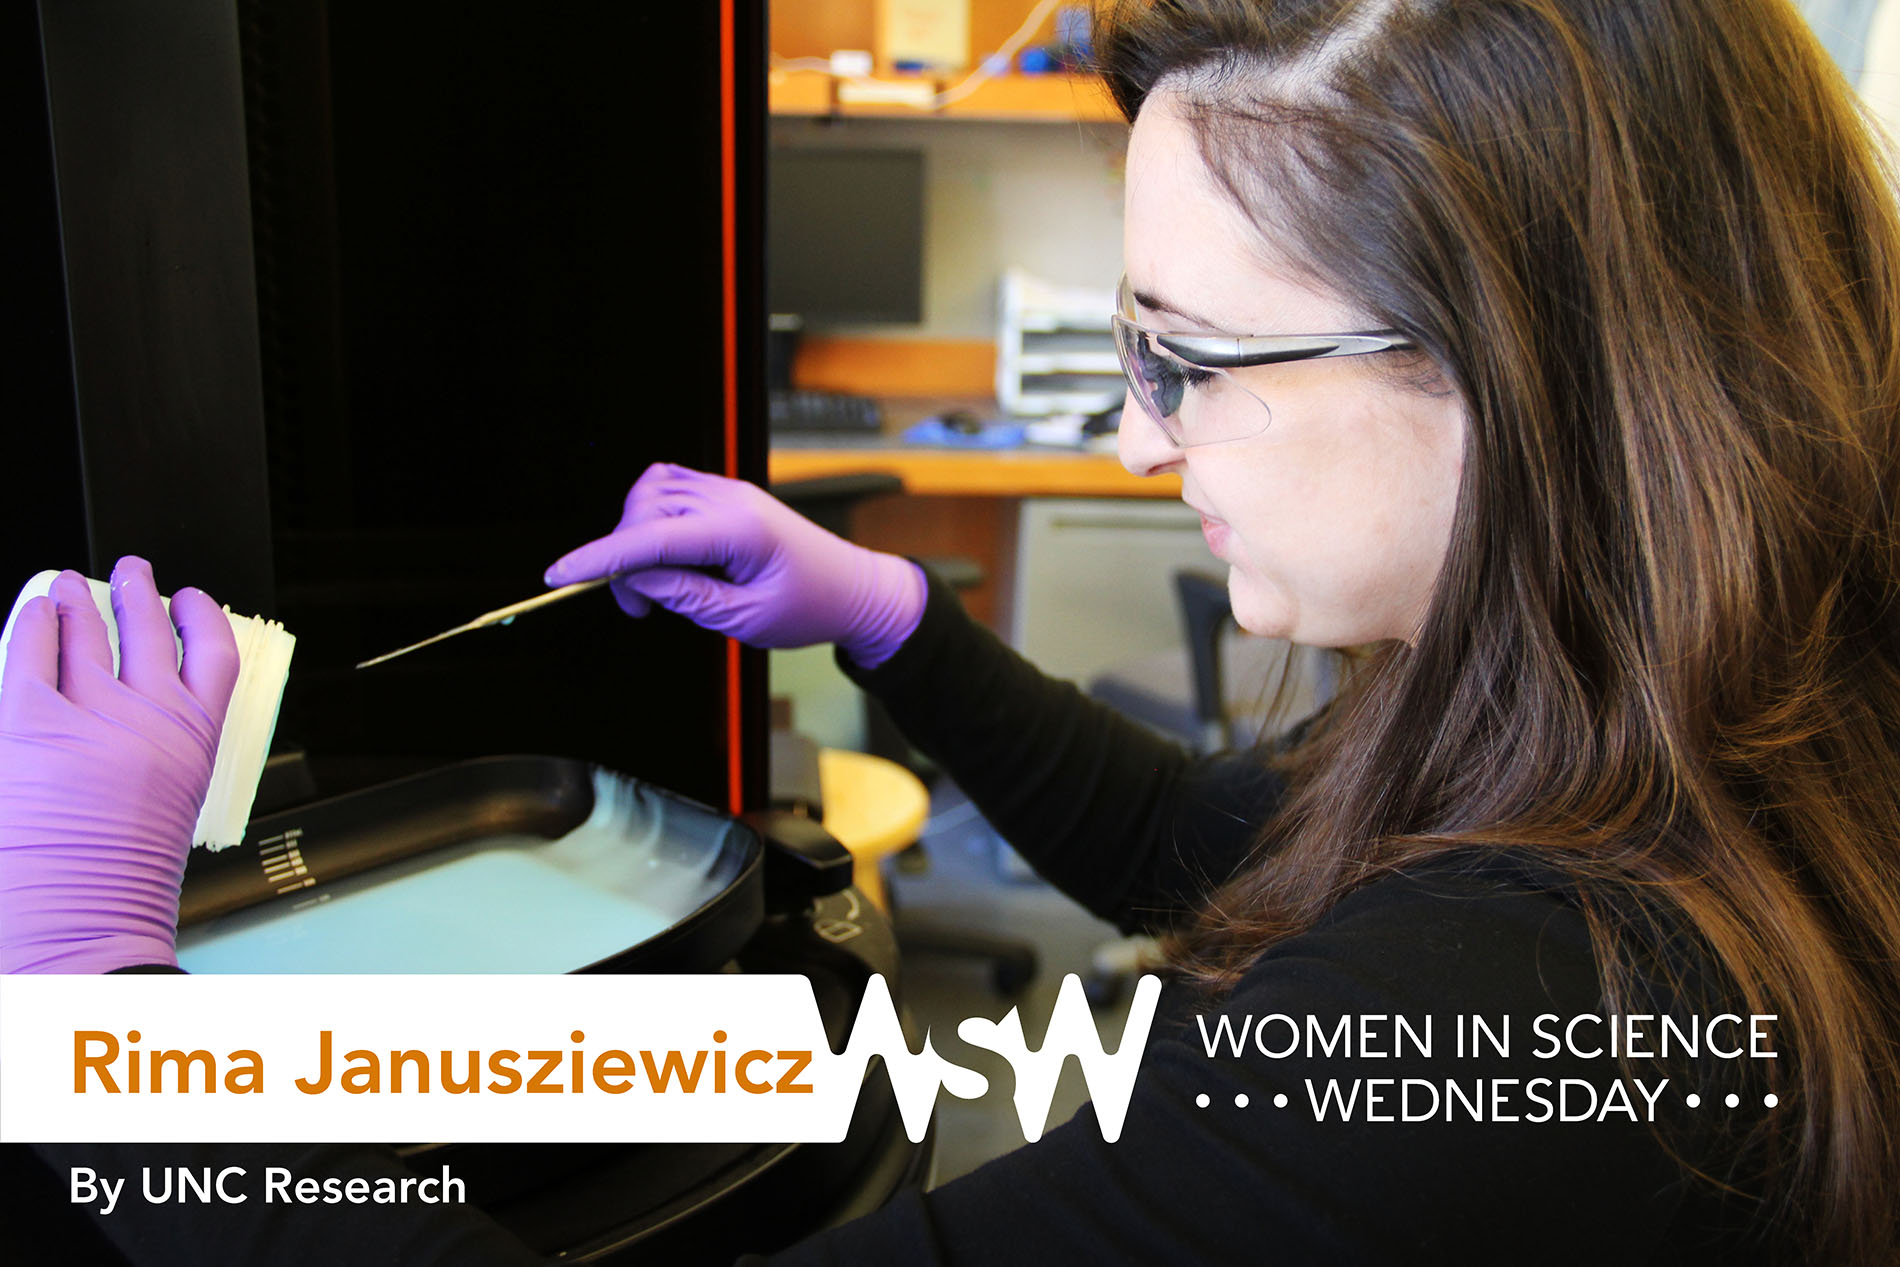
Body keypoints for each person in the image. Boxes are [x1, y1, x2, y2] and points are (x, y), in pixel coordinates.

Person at [11, 0, 1900, 1261]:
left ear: (1536, 371)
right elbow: (1223, 855)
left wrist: (96, 1019)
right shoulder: (1671, 723)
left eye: (1189, 355)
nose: (1141, 430)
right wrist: (883, 620)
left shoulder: (1550, 1024)